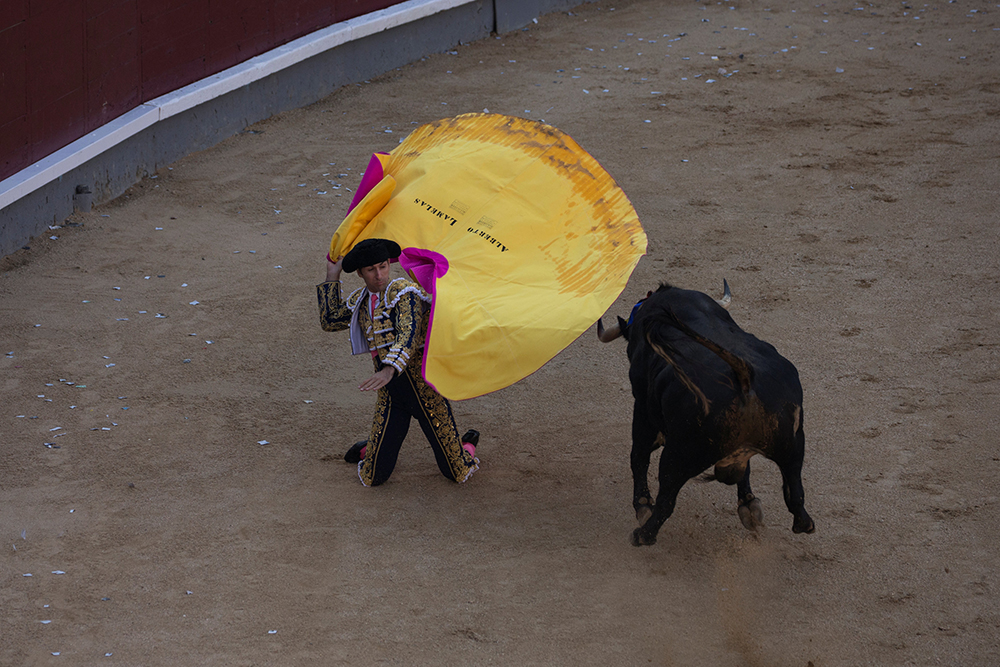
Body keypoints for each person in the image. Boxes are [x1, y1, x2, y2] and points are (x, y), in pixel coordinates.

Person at [317, 238, 480, 486]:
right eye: (371, 270)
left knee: (456, 471)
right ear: (360, 273)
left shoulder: (405, 293)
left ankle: (465, 447)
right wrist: (332, 274)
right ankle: (369, 450)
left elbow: (409, 335)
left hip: (425, 390)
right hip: (392, 393)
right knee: (374, 477)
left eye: (383, 266)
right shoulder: (360, 301)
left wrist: (389, 369)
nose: (379, 275)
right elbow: (330, 320)